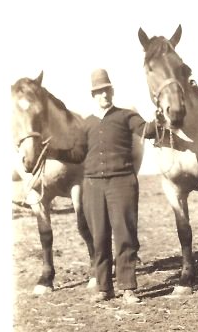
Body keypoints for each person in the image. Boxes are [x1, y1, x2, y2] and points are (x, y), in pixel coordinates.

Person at [52, 69, 155, 305]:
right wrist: (54, 151)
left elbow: (147, 130)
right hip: (93, 186)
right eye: (98, 92)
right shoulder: (86, 124)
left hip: (122, 183)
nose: (103, 96)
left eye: (106, 91)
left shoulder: (127, 116)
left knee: (125, 234)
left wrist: (160, 117)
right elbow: (77, 154)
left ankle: (128, 287)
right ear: (93, 96)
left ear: (112, 92)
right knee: (99, 237)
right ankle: (104, 287)